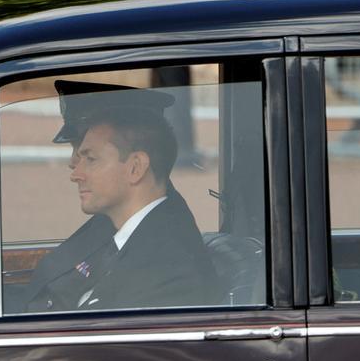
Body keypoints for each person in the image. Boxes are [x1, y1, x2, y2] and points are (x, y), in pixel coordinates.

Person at [17, 81, 219, 314]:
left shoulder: (168, 272)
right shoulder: (121, 226)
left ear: (135, 168)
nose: (76, 173)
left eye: (90, 159)